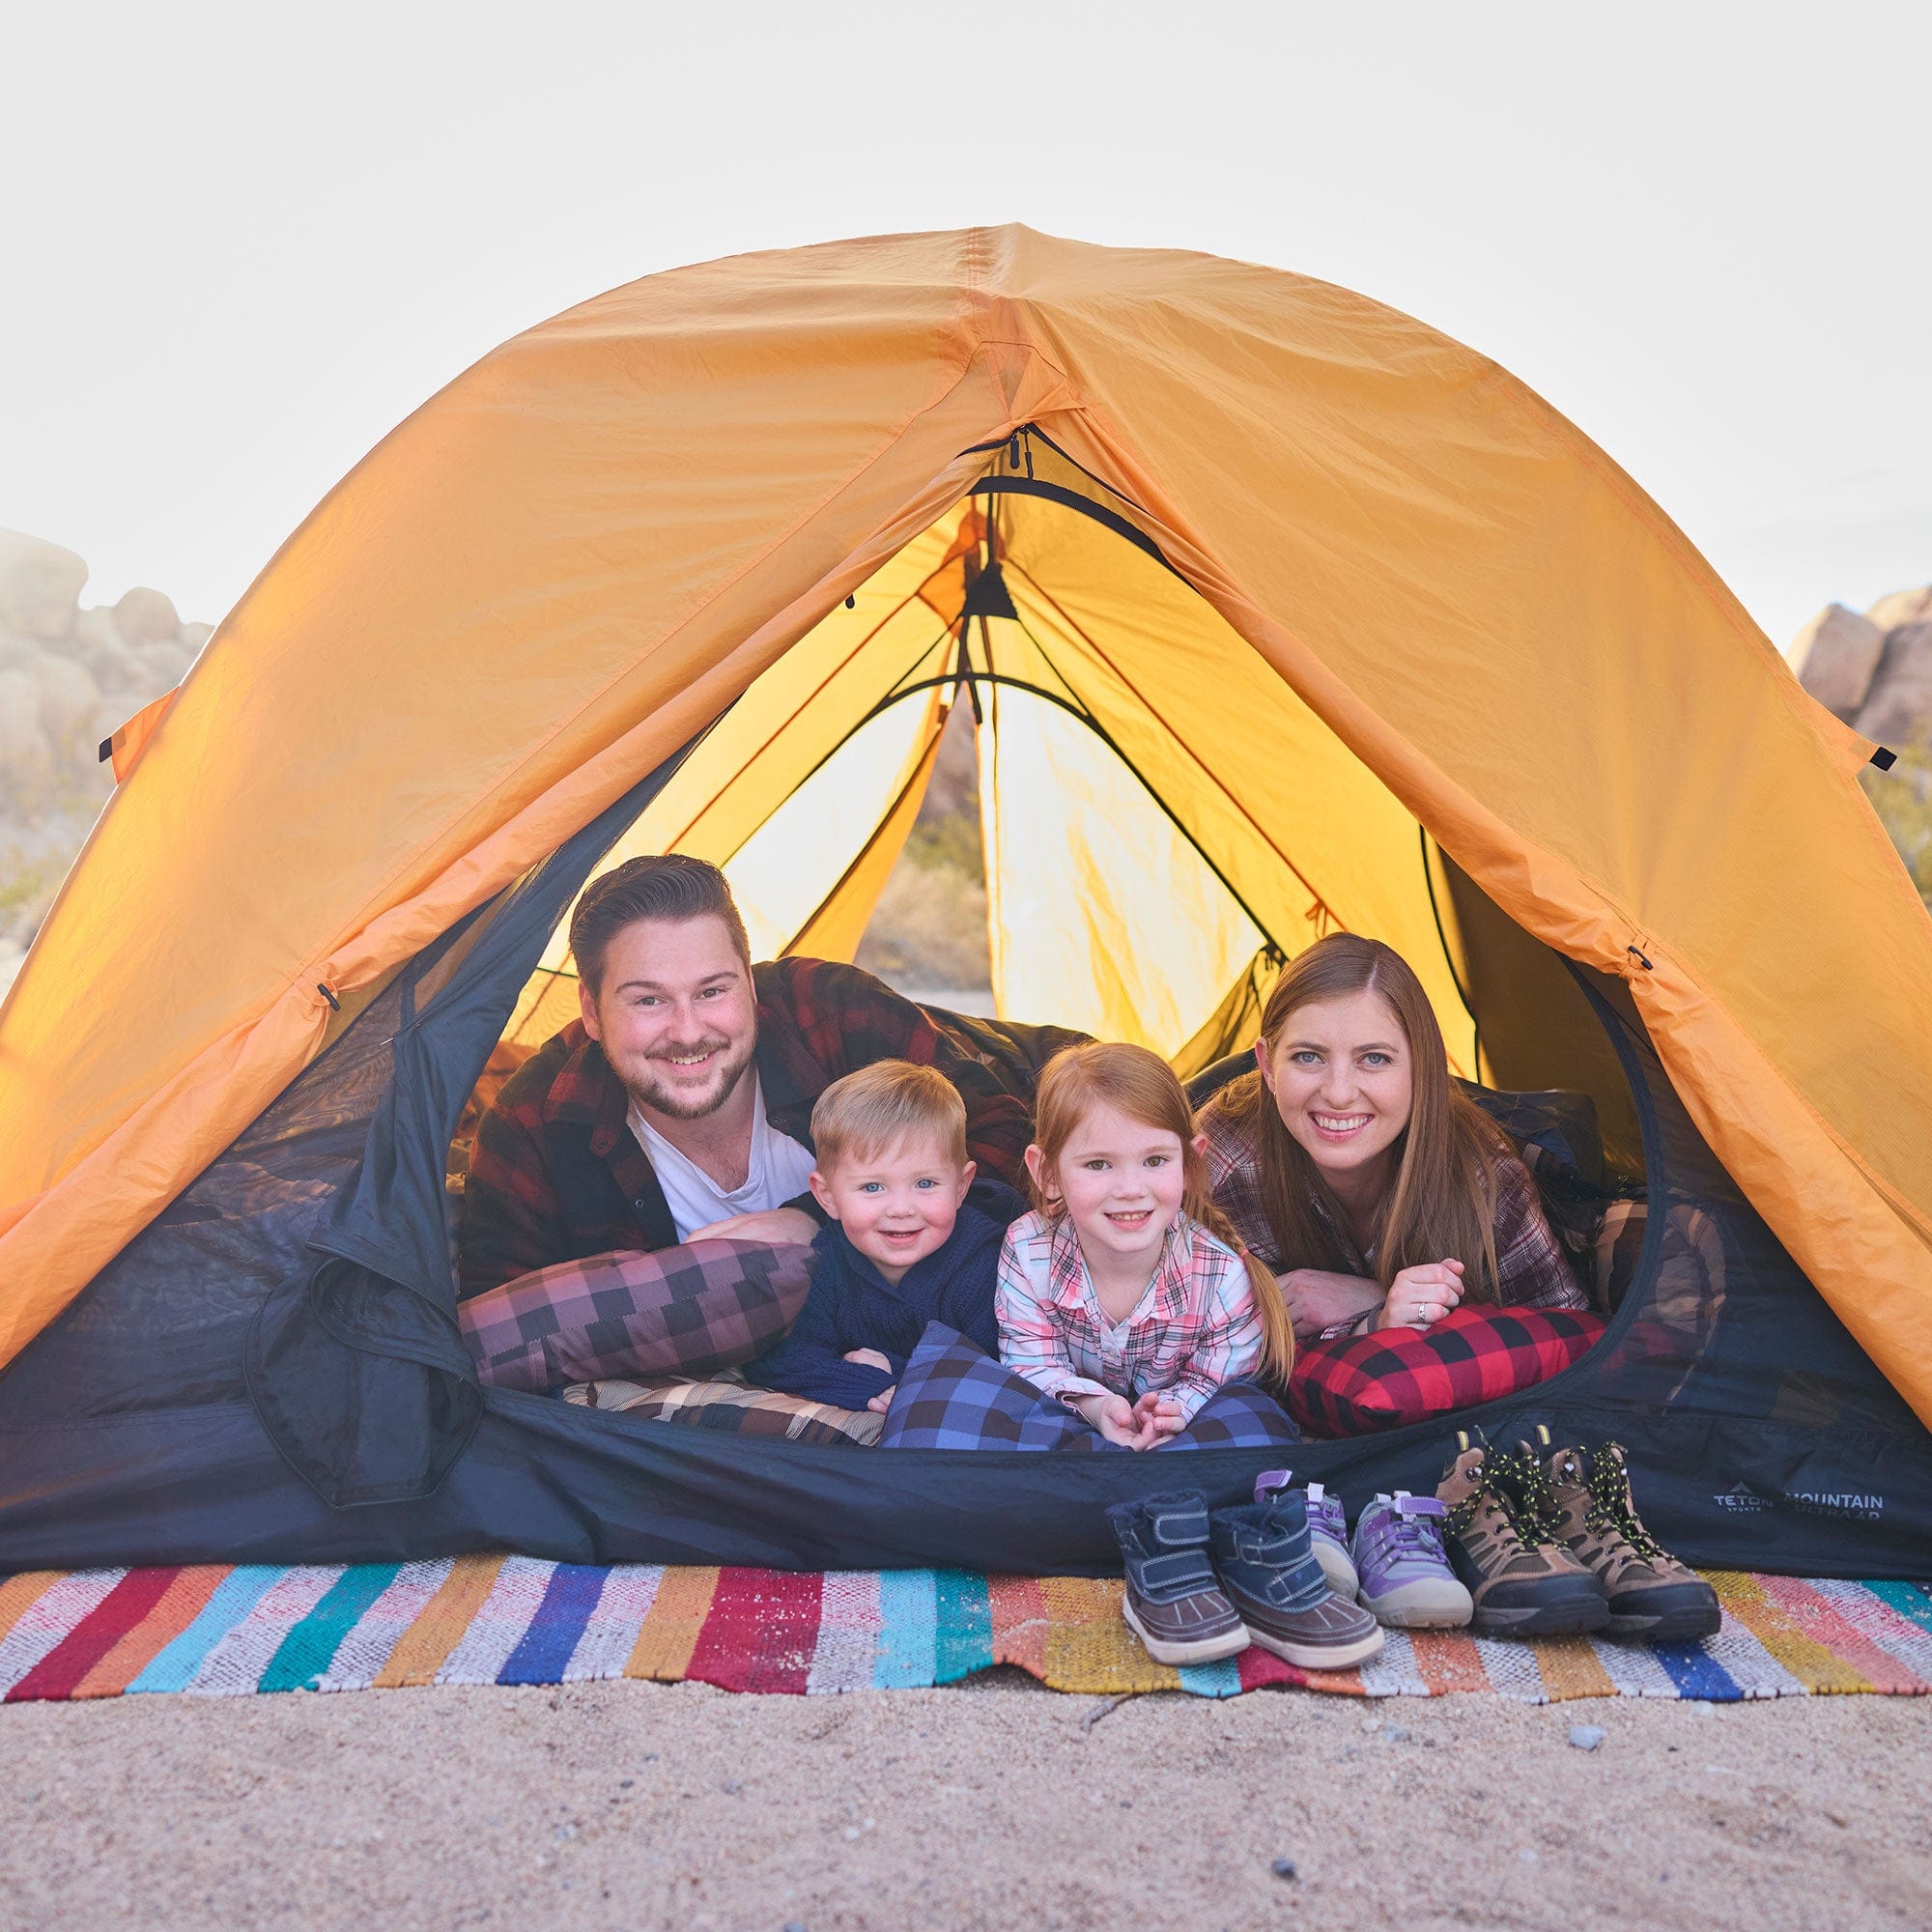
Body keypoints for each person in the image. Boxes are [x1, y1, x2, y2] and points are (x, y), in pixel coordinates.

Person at [458, 854, 1050, 1297]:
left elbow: (1011, 1143)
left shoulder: (836, 1014)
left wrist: (814, 1222)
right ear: (590, 1011)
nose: (688, 1032)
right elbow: (497, 1321)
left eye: (712, 991)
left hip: (1029, 1062)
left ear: (749, 981)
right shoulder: (534, 1121)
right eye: (648, 1000)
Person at [1195, 932, 1588, 1346]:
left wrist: (1377, 1303)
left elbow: (1569, 1338)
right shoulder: (1222, 1157)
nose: (1339, 1093)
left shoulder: (1482, 1177)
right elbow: (1167, 1342)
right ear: (1268, 1066)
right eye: (1308, 1057)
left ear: (1422, 1069)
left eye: (1374, 1058)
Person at [996, 1041, 1295, 1447]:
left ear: (1189, 1164)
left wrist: (1173, 1411)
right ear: (1048, 1174)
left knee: (1253, 1422)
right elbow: (1031, 1363)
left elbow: (1215, 1378)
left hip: (1181, 1429)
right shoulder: (1028, 1249)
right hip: (1072, 1417)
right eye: (1098, 1164)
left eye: (1155, 1161)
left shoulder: (1222, 1277)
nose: (1131, 1189)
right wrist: (1095, 1406)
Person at [745, 1061, 1024, 1413]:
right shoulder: (829, 1263)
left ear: (961, 1186)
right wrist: (869, 1384)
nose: (901, 1209)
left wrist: (898, 1373)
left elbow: (1004, 1375)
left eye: (925, 1183)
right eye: (872, 1187)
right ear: (827, 1196)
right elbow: (781, 1360)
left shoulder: (982, 1268)